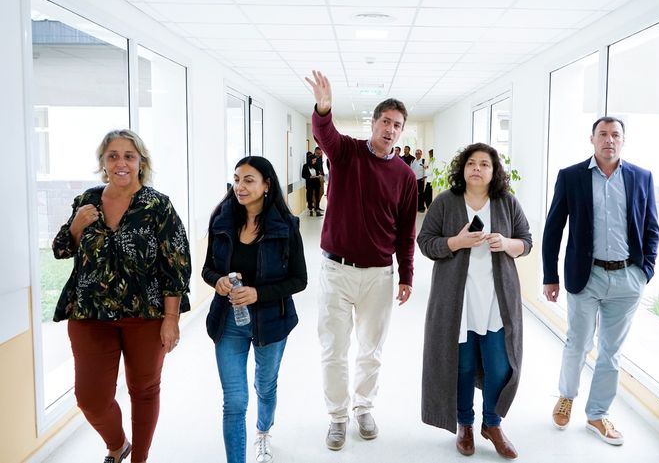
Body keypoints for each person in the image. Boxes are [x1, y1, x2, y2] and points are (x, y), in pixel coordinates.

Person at [52, 129, 191, 463]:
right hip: (90, 315)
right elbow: (60, 249)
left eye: (129, 155)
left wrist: (171, 319)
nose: (120, 162)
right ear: (103, 162)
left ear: (141, 162)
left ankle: (139, 459)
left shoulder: (157, 205)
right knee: (90, 398)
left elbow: (177, 264)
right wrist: (76, 226)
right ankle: (117, 446)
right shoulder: (87, 200)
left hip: (146, 315)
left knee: (143, 391)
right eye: (112, 155)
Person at [304, 70, 418, 451]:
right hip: (336, 270)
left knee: (371, 348)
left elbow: (406, 231)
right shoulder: (347, 153)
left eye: (397, 125)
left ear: (402, 132)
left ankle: (363, 406)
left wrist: (407, 275)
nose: (390, 129)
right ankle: (337, 416)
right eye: (385, 121)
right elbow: (325, 135)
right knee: (333, 348)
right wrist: (324, 108)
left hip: (379, 276)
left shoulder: (404, 176)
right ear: (373, 123)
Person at [542, 116, 659, 446]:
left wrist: (644, 271)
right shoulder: (571, 177)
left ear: (623, 141)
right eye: (603, 134)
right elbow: (553, 229)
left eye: (615, 135)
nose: (609, 140)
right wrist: (550, 276)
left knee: (612, 351)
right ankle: (566, 395)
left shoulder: (641, 177)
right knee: (578, 342)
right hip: (586, 275)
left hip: (627, 279)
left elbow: (651, 227)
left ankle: (597, 413)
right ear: (591, 139)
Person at [417, 143, 532, 460]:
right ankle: (465, 424)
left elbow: (526, 242)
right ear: (462, 169)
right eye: (471, 163)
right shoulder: (446, 202)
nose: (477, 168)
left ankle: (491, 424)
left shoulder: (506, 203)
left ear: (495, 171)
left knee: (500, 366)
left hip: (497, 300)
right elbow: (426, 242)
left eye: (485, 164)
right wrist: (457, 241)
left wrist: (507, 243)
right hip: (457, 300)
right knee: (463, 366)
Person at [202, 155, 308, 463]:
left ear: (266, 186)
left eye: (248, 180)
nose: (240, 186)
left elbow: (299, 280)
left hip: (271, 321)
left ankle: (263, 433)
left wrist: (257, 294)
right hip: (229, 321)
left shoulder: (286, 226)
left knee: (265, 385)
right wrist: (218, 281)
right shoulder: (221, 219)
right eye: (236, 179)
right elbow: (208, 269)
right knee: (234, 400)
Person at [302, 152, 323, 216]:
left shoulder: (315, 165)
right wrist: (309, 177)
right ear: (310, 160)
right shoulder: (305, 166)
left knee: (317, 196)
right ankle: (310, 208)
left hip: (316, 182)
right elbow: (303, 175)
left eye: (315, 160)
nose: (315, 161)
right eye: (314, 160)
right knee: (309, 196)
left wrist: (319, 175)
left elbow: (318, 173)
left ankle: (317, 210)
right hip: (309, 183)